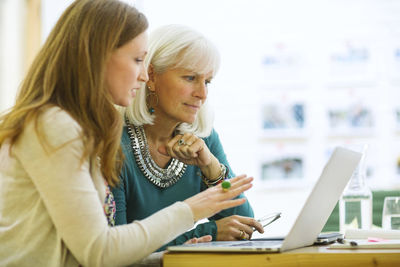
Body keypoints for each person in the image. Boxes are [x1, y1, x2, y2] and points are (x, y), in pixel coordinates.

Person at [0, 1, 254, 266]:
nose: (144, 75)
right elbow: (100, 252)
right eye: (137, 60)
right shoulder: (54, 126)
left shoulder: (73, 126)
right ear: (98, 56)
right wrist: (193, 212)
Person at [112, 24, 264, 251]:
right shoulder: (112, 145)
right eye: (190, 78)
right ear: (151, 76)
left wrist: (211, 167)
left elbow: (243, 227)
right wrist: (208, 232)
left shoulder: (205, 138)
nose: (202, 94)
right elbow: (113, 252)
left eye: (207, 81)